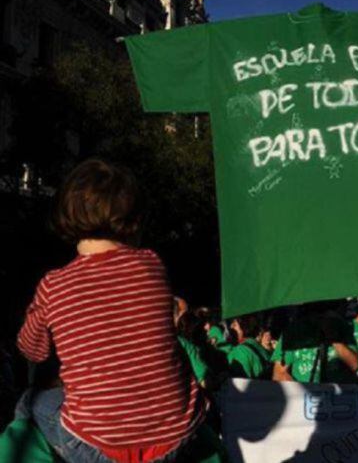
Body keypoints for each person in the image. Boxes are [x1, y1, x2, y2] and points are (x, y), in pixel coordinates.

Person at [14, 159, 211, 463]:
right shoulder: (152, 265)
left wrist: (37, 315)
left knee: (31, 402)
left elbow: (33, 350)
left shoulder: (53, 285)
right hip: (176, 438)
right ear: (134, 220)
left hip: (101, 449)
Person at [272, 300, 358, 384]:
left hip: (336, 396)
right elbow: (279, 373)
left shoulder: (342, 328)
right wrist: (304, 393)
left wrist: (335, 341)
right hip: (305, 396)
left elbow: (354, 365)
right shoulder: (293, 332)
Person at [228, 313, 272, 379]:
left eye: (234, 325)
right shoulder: (258, 347)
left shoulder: (240, 351)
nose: (231, 327)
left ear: (244, 327)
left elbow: (240, 385)